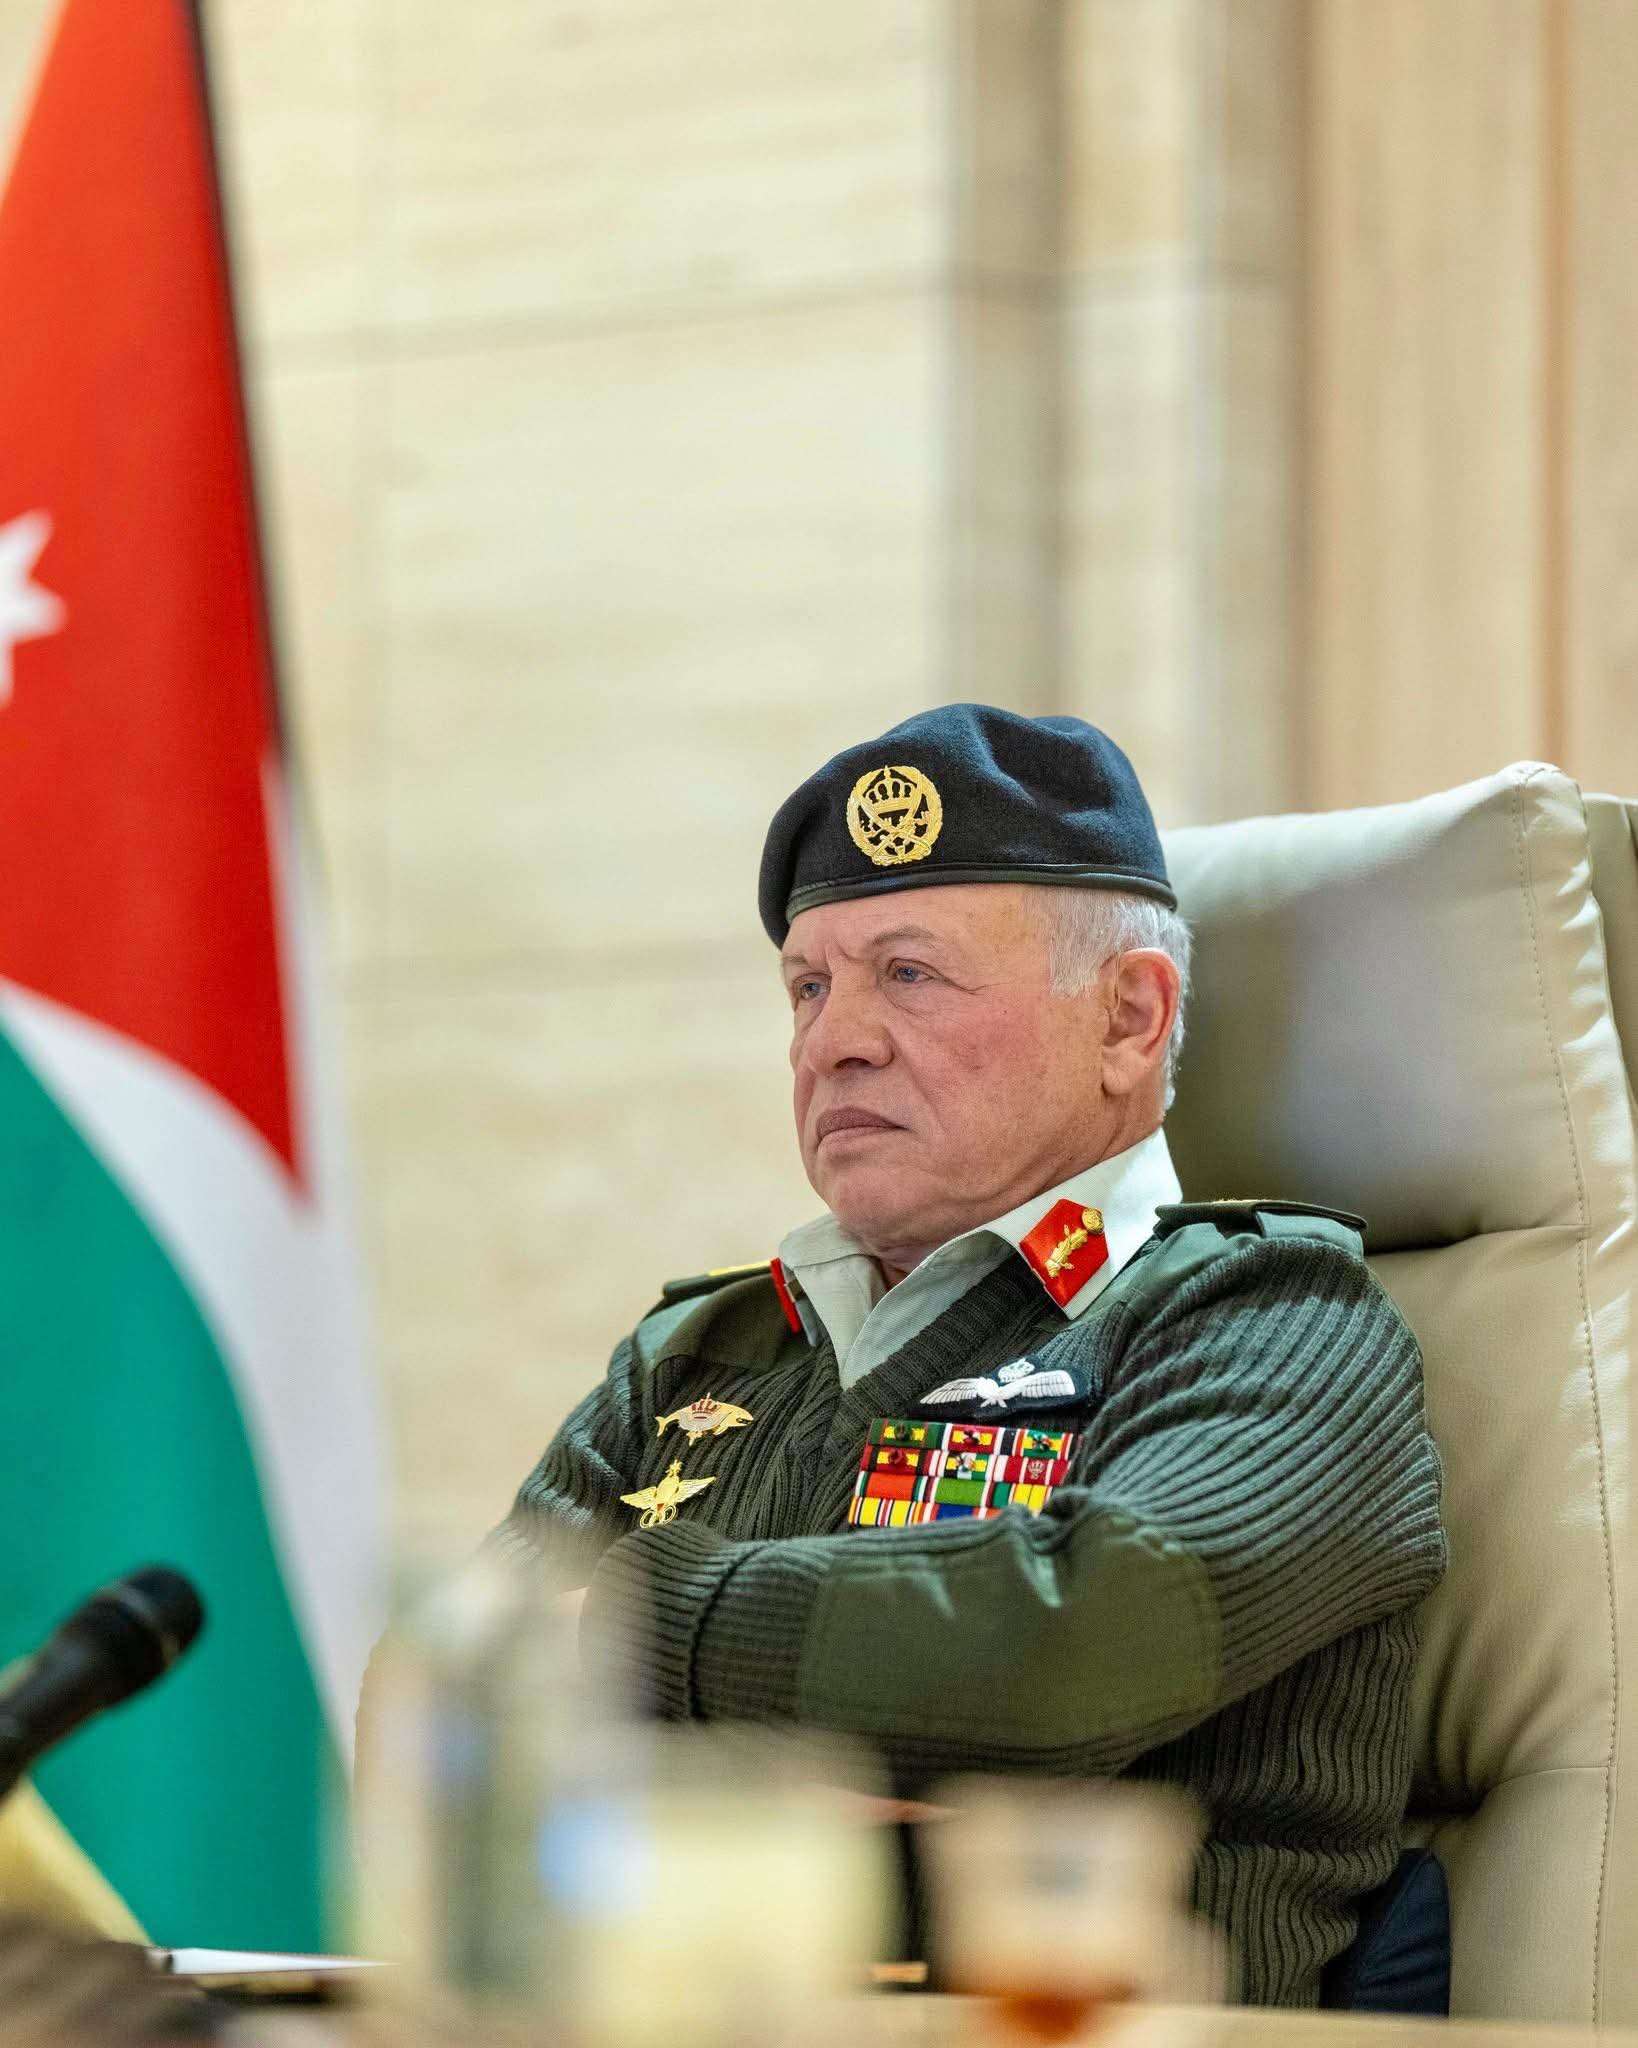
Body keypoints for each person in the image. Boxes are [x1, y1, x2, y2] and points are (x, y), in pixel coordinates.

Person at [496, 704, 1447, 2007]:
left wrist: (635, 1629)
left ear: (1127, 1018)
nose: (832, 1039)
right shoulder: (697, 1351)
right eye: (808, 987)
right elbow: (453, 1707)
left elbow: (1073, 1645)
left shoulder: (1266, 1315)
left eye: (909, 975)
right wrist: (896, 1740)